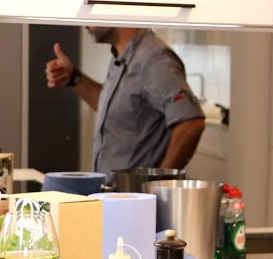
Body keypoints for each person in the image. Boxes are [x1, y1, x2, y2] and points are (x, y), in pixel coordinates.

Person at [45, 27, 206, 183]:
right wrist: (74, 78)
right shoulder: (123, 55)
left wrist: (159, 183)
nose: (87, 23)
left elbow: (191, 123)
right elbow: (115, 107)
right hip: (117, 197)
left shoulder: (153, 58)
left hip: (137, 201)